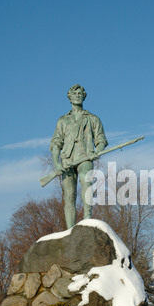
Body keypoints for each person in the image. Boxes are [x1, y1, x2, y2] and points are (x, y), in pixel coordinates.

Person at [50, 84, 108, 228]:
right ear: (69, 97)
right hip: (67, 160)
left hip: (85, 157)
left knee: (86, 183)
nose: (77, 95)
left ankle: (87, 220)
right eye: (74, 93)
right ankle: (70, 230)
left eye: (80, 93)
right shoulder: (62, 120)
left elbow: (101, 139)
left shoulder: (93, 119)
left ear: (84, 96)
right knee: (69, 196)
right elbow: (56, 143)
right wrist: (56, 163)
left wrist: (97, 151)